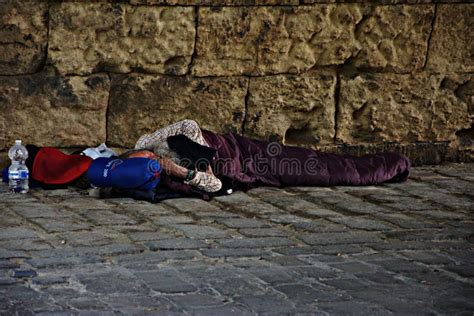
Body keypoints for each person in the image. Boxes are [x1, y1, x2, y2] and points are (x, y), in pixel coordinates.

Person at [130, 120, 411, 196]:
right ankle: (392, 164)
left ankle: (393, 163)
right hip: (247, 168)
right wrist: (180, 171)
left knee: (312, 162)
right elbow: (214, 186)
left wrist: (167, 149)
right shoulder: (159, 176)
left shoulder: (146, 143)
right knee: (315, 171)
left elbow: (189, 125)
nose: (146, 158)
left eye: (142, 157)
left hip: (240, 149)